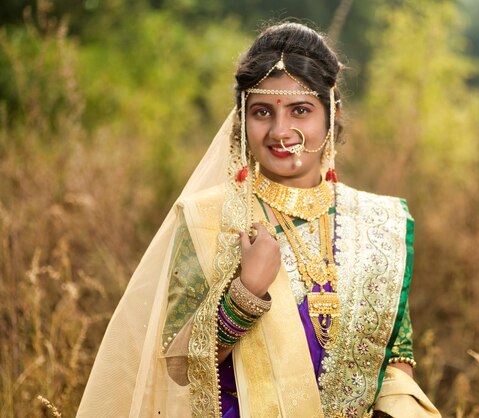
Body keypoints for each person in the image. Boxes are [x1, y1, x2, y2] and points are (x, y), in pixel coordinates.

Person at [78, 22, 440, 418]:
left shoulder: (380, 223)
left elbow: (395, 358)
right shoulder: (208, 220)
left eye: (300, 110)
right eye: (262, 112)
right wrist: (246, 291)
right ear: (242, 119)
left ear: (331, 114)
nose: (280, 131)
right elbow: (180, 364)